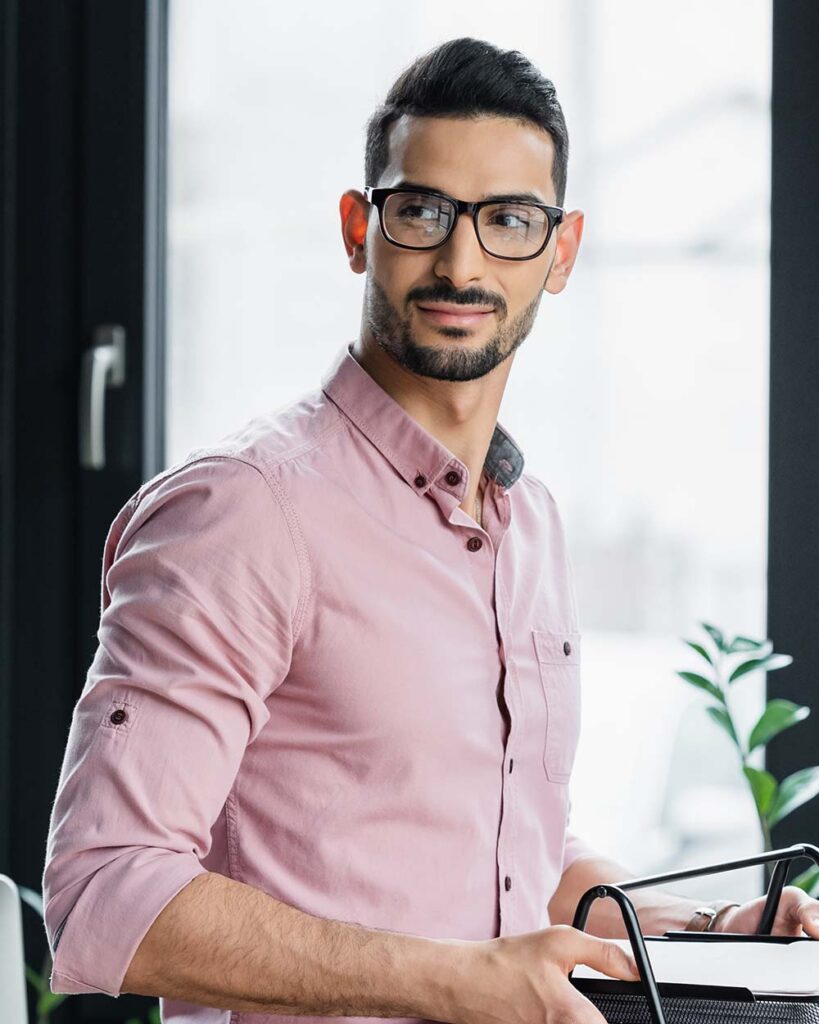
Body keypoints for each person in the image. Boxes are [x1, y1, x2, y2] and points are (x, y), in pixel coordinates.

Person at [42, 35, 819, 1024]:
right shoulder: (243, 512)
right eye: (422, 212)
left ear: (562, 251)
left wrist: (699, 929)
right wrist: (455, 980)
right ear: (359, 229)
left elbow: (506, 867)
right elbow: (103, 892)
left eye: (508, 220)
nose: (462, 260)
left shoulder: (528, 521)